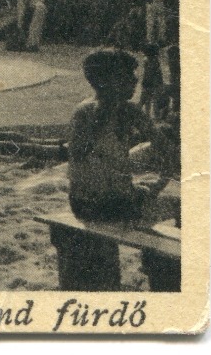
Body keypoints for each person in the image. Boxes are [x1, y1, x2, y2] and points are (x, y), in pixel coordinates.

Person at [68, 48, 170, 224]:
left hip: (80, 203)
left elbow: (81, 160)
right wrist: (159, 184)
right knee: (178, 205)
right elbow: (167, 149)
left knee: (141, 189)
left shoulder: (82, 109)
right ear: (104, 81)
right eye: (127, 75)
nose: (135, 79)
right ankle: (154, 252)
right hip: (113, 204)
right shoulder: (129, 111)